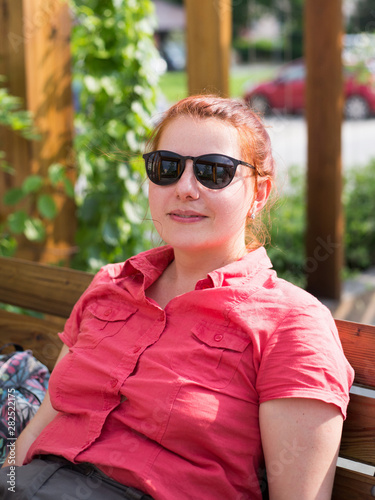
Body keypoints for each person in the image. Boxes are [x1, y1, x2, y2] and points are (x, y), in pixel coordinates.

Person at [0, 95, 354, 500]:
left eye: (214, 172)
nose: (185, 189)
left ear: (259, 193)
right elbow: (43, 423)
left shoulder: (292, 323)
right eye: (167, 167)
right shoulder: (111, 285)